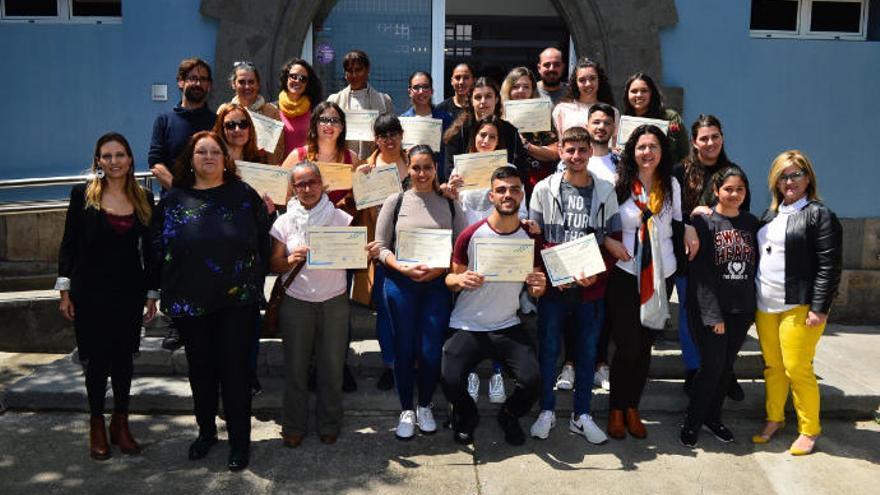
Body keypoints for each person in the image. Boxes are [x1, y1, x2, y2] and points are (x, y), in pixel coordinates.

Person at [152, 131, 270, 471]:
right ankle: (206, 433)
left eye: (214, 151)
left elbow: (262, 241)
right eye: (200, 152)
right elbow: (158, 246)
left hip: (236, 303)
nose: (208, 157)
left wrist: (253, 283)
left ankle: (239, 442)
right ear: (190, 159)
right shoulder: (175, 199)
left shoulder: (243, 195)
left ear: (225, 158)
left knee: (235, 373)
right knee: (201, 372)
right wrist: (164, 288)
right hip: (191, 303)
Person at [56, 132, 158, 460]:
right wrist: (65, 291)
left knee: (124, 359)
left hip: (128, 292)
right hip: (90, 293)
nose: (114, 161)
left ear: (130, 160)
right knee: (98, 361)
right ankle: (97, 423)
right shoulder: (83, 195)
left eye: (120, 155)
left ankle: (121, 423)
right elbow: (69, 244)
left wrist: (152, 293)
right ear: (98, 161)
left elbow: (152, 251)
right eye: (107, 156)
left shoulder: (143, 196)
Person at [441, 167, 545, 446]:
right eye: (501, 189)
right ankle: (466, 413)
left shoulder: (530, 237)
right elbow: (450, 279)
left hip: (507, 324)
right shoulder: (471, 235)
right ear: (491, 195)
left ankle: (509, 414)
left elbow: (535, 285)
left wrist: (538, 287)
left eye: (513, 189)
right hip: (467, 324)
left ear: (522, 195)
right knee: (450, 381)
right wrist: (460, 279)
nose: (507, 194)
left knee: (533, 380)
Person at [527, 127, 618, 445]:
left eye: (582, 150)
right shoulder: (543, 188)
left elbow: (613, 240)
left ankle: (582, 415)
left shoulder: (607, 189)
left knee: (587, 353)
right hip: (555, 290)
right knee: (549, 350)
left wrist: (596, 273)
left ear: (591, 152)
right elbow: (535, 239)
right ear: (560, 152)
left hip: (591, 289)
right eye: (570, 150)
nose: (576, 156)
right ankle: (547, 410)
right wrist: (551, 276)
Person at [371, 145, 467, 440]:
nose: (422, 173)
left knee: (429, 350)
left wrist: (440, 271)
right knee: (404, 349)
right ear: (408, 170)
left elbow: (461, 248)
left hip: (436, 287)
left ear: (436, 169)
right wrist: (401, 268)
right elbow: (380, 247)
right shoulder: (395, 201)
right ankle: (406, 409)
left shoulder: (450, 204)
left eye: (427, 167)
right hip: (400, 284)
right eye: (416, 168)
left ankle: (424, 404)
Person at [751, 150, 842, 456]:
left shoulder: (819, 214)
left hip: (800, 306)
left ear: (808, 178)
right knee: (773, 367)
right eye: (783, 175)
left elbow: (830, 266)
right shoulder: (770, 215)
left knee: (797, 368)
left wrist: (820, 307)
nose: (789, 181)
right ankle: (774, 419)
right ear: (775, 181)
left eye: (796, 174)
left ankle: (809, 429)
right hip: (765, 305)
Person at [604, 124, 688, 440]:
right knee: (626, 345)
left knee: (645, 345)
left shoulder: (672, 186)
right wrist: (610, 244)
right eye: (641, 147)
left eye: (653, 146)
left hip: (661, 274)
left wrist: (691, 229)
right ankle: (616, 409)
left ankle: (632, 408)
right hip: (626, 274)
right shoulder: (619, 184)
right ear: (632, 151)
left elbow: (678, 224)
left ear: (662, 151)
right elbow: (602, 224)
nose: (647, 152)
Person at [270, 161, 352, 448]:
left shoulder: (341, 218)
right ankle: (293, 425)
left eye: (312, 182)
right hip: (297, 302)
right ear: (293, 188)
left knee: (331, 367)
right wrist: (289, 260)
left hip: (334, 301)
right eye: (300, 184)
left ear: (322, 184)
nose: (307, 189)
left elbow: (355, 257)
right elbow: (274, 263)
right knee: (295, 367)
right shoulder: (283, 221)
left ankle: (329, 423)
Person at [680, 165, 759, 448]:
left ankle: (714, 418)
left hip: (742, 310)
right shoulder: (704, 223)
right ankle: (692, 421)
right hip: (710, 311)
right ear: (716, 191)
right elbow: (700, 275)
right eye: (728, 189)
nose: (734, 194)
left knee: (725, 368)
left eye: (739, 189)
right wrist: (713, 315)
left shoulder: (752, 223)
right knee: (712, 367)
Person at [675, 114, 748, 399]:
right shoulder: (679, 172)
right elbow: (669, 211)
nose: (709, 142)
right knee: (690, 315)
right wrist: (689, 222)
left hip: (726, 259)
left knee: (727, 314)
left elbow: (743, 213)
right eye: (703, 138)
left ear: (722, 137)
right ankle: (695, 369)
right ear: (694, 141)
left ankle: (725, 370)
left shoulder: (734, 173)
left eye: (714, 136)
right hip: (690, 259)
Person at [147, 57, 216, 351]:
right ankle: (176, 323)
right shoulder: (164, 120)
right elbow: (155, 161)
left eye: (203, 78)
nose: (197, 83)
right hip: (175, 204)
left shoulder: (215, 121)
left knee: (205, 264)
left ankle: (209, 317)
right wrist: (182, 192)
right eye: (192, 78)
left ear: (209, 85)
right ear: (181, 82)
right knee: (175, 265)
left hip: (210, 208)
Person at [353, 114, 411, 391]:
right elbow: (355, 207)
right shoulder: (367, 168)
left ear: (401, 134)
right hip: (381, 252)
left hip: (414, 248)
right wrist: (358, 183)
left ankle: (412, 362)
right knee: (386, 312)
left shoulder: (414, 162)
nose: (389, 140)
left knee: (412, 311)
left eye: (393, 134)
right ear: (376, 139)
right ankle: (390, 364)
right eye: (383, 135)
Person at [586, 103, 620, 392]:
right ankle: (571, 364)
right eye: (596, 121)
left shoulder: (622, 164)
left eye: (606, 122)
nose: (601, 127)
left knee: (606, 310)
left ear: (613, 128)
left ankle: (601, 364)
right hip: (580, 246)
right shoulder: (575, 160)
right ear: (587, 125)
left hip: (613, 248)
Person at [443, 77, 528, 182]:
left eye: (488, 96)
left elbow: (520, 169)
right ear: (471, 101)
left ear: (496, 99)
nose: (483, 101)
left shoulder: (510, 131)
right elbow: (449, 171)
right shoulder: (457, 132)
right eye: (478, 97)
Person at [282, 101, 358, 208]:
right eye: (323, 120)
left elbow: (357, 197)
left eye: (335, 120)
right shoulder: (297, 156)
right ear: (315, 125)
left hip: (339, 223)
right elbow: (282, 196)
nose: (329, 125)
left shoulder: (352, 158)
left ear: (341, 127)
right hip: (304, 222)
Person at [500, 66, 559, 196]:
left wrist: (527, 146)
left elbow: (555, 152)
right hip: (506, 185)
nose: (521, 91)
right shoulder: (498, 117)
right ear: (508, 89)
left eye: (526, 87)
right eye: (515, 87)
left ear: (532, 90)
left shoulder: (542, 116)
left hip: (537, 184)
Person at [327, 50, 394, 160]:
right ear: (345, 74)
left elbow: (391, 136)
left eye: (358, 70)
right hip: (343, 164)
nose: (354, 75)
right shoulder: (334, 100)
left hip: (374, 164)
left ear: (367, 70)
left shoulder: (384, 101)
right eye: (349, 71)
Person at [217, 61, 284, 164]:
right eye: (242, 82)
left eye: (251, 82)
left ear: (258, 85)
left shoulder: (271, 112)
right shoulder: (224, 111)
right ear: (233, 84)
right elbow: (218, 145)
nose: (247, 86)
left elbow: (277, 152)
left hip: (261, 172)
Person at [622, 73, 689, 165]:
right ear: (627, 95)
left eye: (644, 90)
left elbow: (684, 153)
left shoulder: (670, 117)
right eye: (634, 91)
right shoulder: (623, 122)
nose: (639, 95)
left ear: (651, 93)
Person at [401, 71, 453, 168]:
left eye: (425, 87)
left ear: (431, 91)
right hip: (412, 176)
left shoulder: (445, 119)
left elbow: (450, 152)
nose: (421, 91)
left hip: (439, 178)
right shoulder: (402, 121)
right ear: (409, 92)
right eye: (416, 87)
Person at [552, 58, 617, 135]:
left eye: (592, 78)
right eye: (582, 80)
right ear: (575, 83)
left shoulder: (612, 111)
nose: (588, 84)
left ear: (599, 80)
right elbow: (556, 144)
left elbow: (615, 144)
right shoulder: (561, 110)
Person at [277, 58, 323, 156]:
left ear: (308, 84)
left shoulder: (316, 110)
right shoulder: (272, 108)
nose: (297, 81)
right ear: (286, 77)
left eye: (303, 79)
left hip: (305, 168)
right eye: (293, 76)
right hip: (278, 169)